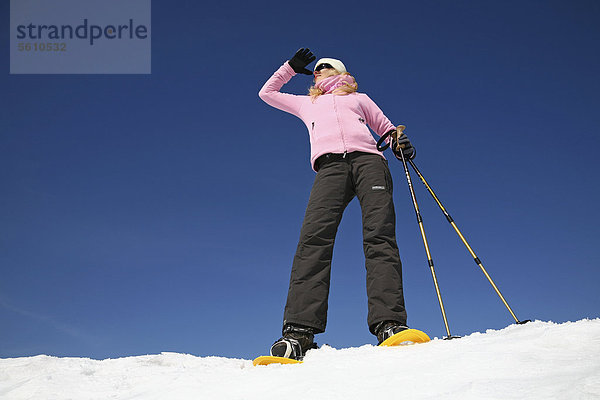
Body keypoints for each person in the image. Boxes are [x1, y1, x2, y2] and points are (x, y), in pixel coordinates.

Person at [258, 48, 416, 360]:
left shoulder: (360, 99)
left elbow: (385, 127)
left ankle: (390, 324)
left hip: (370, 163)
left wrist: (398, 142)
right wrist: (290, 67)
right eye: (314, 68)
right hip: (330, 169)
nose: (317, 70)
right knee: (313, 239)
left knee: (379, 236)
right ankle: (298, 332)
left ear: (340, 71)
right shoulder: (307, 103)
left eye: (324, 66)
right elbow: (268, 92)